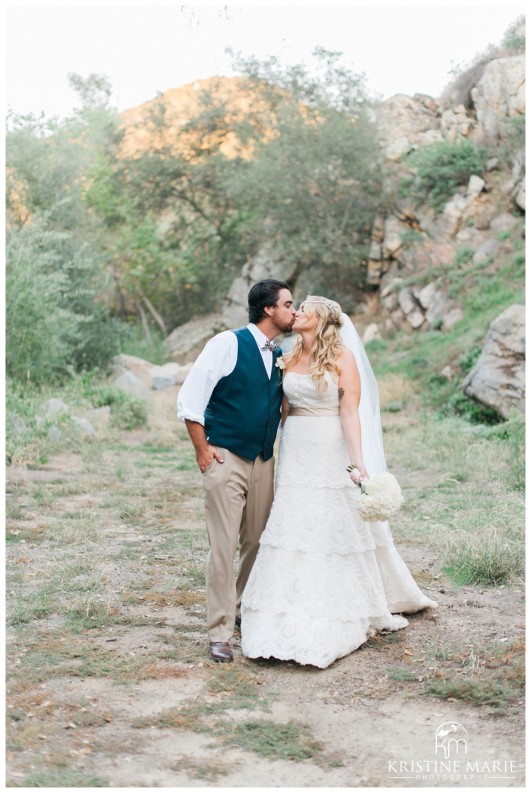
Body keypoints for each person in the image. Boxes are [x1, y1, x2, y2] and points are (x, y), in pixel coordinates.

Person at [241, 295, 437, 669]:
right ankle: (281, 602)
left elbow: (349, 412)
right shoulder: (288, 352)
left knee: (331, 519)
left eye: (304, 310)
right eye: (294, 307)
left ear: (322, 320)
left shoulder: (342, 357)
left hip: (329, 443)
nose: (296, 313)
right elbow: (280, 408)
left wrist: (357, 462)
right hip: (296, 444)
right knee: (294, 517)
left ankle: (336, 603)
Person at [177, 279, 296, 662]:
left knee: (258, 542)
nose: (294, 311)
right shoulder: (226, 344)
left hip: (264, 459)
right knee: (223, 546)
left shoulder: (281, 352)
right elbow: (190, 400)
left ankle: (243, 610)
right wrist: (202, 451)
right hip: (226, 458)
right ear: (269, 310)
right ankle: (219, 632)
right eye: (289, 304)